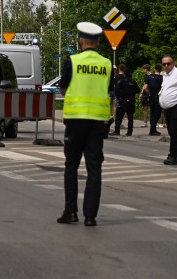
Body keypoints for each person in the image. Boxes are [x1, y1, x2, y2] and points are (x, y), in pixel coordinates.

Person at [57, 22, 112, 227]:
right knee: (94, 168)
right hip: (98, 122)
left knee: (71, 166)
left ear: (80, 40)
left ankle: (70, 212)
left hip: (75, 120)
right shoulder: (106, 64)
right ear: (98, 41)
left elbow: (62, 88)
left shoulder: (73, 60)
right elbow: (108, 89)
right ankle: (91, 216)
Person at [112, 64, 138, 136]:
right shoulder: (133, 81)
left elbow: (116, 89)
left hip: (123, 100)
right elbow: (137, 90)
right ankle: (129, 132)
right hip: (131, 100)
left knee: (119, 116)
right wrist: (132, 93)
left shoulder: (122, 81)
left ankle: (117, 131)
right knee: (130, 117)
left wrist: (119, 96)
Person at [144, 64, 164, 135]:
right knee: (157, 113)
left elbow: (145, 87)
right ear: (160, 70)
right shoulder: (162, 78)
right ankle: (153, 130)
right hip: (158, 97)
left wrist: (149, 94)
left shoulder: (149, 77)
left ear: (155, 69)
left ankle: (152, 130)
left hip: (151, 97)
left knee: (152, 112)